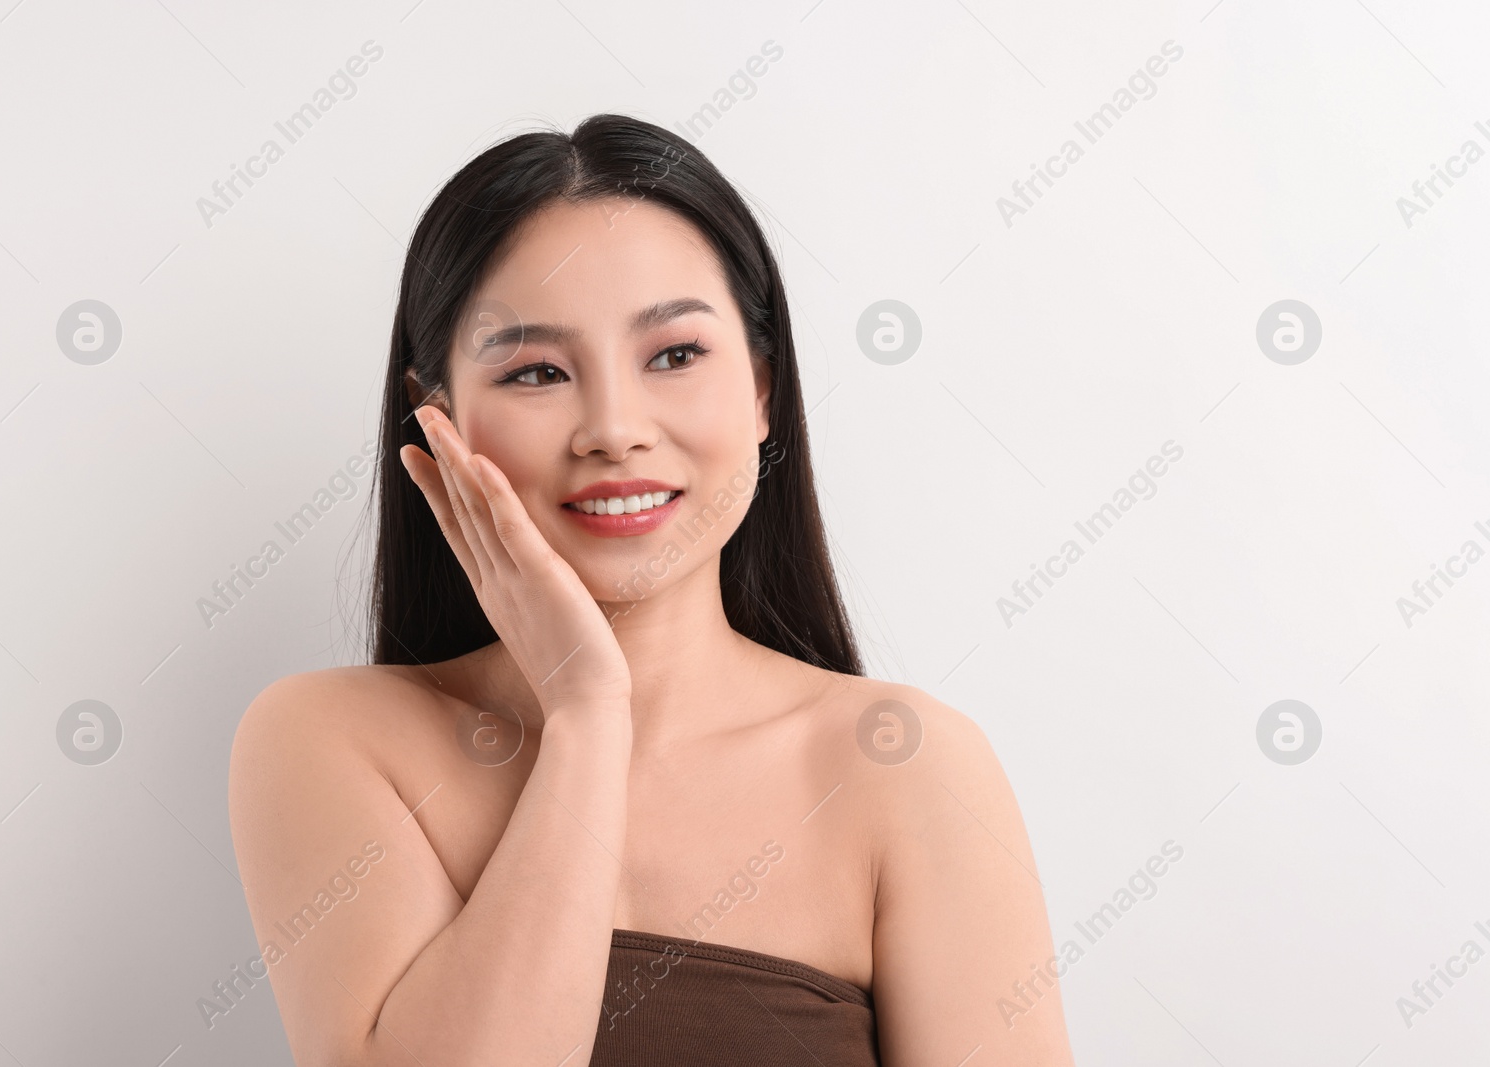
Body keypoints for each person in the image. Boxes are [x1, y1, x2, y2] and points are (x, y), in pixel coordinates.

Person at [228, 112, 1074, 1066]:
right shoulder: (331, 739)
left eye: (674, 354)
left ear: (761, 387)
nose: (615, 429)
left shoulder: (904, 767)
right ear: (440, 420)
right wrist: (588, 715)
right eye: (537, 370)